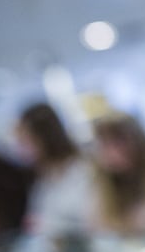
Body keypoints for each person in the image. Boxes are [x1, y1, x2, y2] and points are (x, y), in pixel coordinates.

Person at [15, 102, 96, 238]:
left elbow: (91, 222)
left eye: (26, 140)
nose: (21, 148)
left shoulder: (83, 169)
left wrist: (47, 226)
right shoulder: (43, 177)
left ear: (45, 136)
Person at [91, 112, 145, 235]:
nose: (112, 151)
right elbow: (100, 229)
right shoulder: (103, 186)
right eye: (105, 143)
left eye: (119, 140)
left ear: (137, 140)